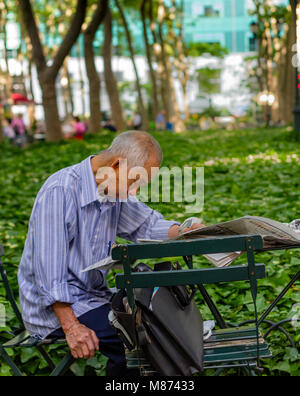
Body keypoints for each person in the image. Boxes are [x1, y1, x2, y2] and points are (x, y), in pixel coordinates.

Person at [18, 131, 204, 376]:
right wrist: (72, 327)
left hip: (94, 297)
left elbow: (144, 225)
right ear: (116, 165)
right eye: (135, 183)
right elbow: (49, 275)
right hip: (55, 309)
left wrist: (184, 231)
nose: (134, 192)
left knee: (155, 324)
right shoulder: (60, 191)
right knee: (134, 337)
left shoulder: (111, 187)